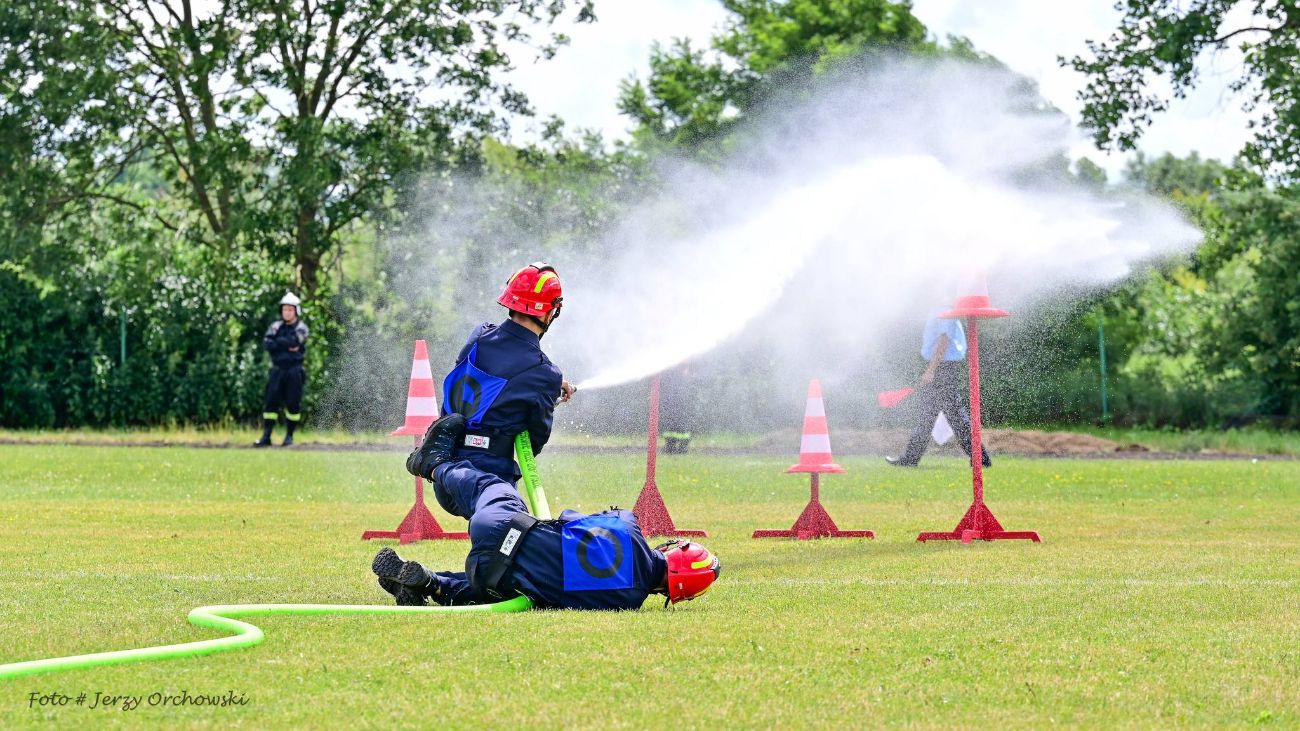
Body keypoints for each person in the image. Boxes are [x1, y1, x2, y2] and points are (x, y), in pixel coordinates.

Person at [373, 413, 721, 609]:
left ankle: (433, 464)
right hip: (493, 577)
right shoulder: (625, 602)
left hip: (502, 528)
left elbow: (569, 517)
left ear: (674, 552)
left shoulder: (628, 526)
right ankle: (429, 584)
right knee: (506, 587)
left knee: (494, 488)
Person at [439, 262, 575, 485]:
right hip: (488, 479)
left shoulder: (479, 336)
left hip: (444, 467)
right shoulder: (544, 373)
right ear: (551, 312)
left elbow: (494, 379)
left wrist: (549, 387)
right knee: (509, 520)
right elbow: (533, 444)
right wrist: (547, 395)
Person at [886, 308, 992, 468]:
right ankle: (910, 458)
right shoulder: (938, 306)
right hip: (942, 367)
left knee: (953, 415)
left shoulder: (944, 307)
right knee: (929, 415)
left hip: (944, 368)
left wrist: (931, 370)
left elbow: (944, 340)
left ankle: (980, 458)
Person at [255, 292, 308, 447]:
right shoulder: (275, 326)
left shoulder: (301, 328)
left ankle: (289, 436)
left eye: (290, 310)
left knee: (293, 404)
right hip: (277, 370)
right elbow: (267, 343)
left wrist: (278, 343)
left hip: (294, 371)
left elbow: (294, 340)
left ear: (296, 311)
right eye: (285, 309)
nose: (287, 312)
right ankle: (266, 436)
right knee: (270, 403)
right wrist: (287, 345)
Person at [660, 362, 695, 455]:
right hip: (674, 396)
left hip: (678, 397)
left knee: (678, 420)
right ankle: (671, 447)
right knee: (673, 420)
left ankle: (681, 447)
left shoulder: (680, 368)